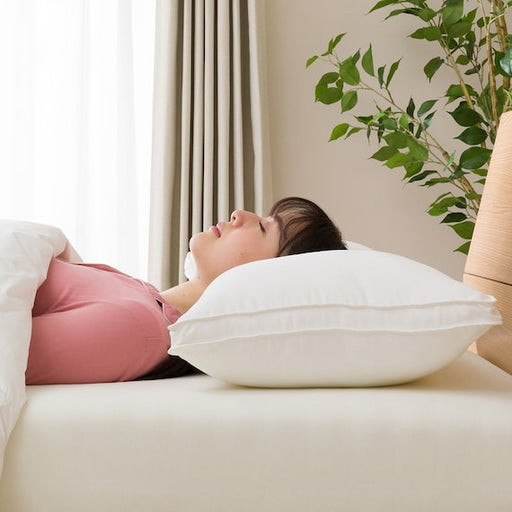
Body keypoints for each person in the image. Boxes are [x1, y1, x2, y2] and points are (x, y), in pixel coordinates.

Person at [26, 197, 346, 385]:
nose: (239, 215)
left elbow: (10, 348)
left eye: (263, 227)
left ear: (270, 279)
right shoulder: (142, 295)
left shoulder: (139, 328)